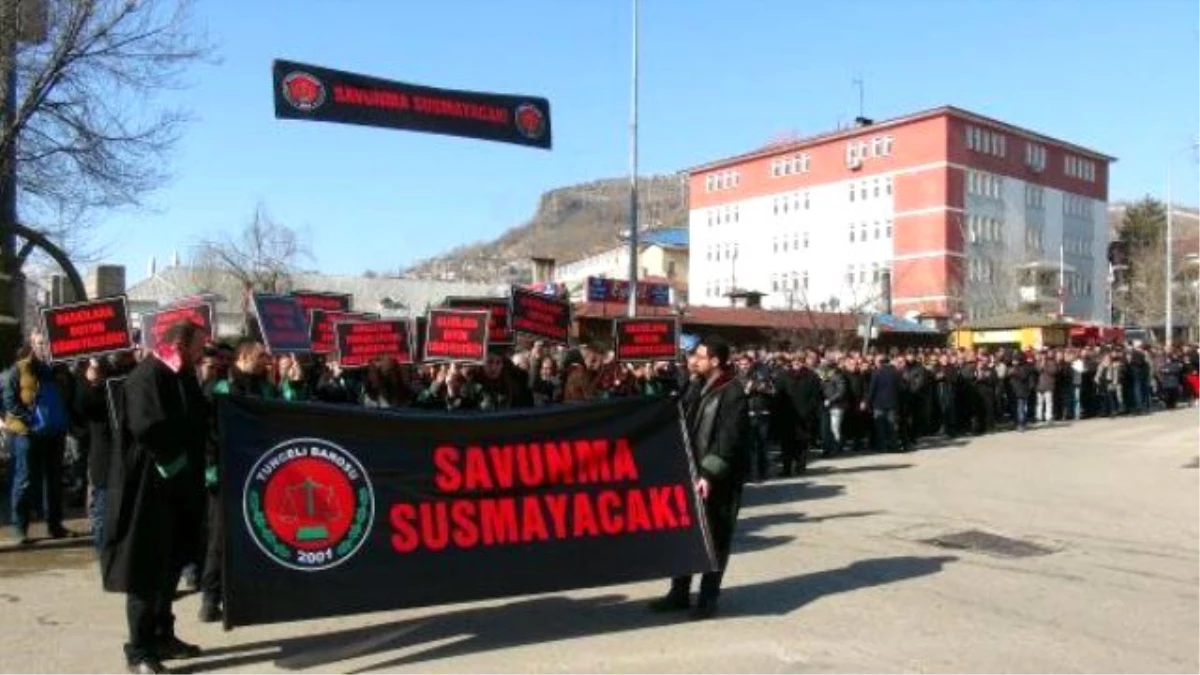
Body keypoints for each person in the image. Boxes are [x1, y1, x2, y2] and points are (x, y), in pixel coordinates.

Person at [102, 321, 208, 675]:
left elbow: (198, 418)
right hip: (148, 490)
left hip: (179, 490)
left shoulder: (184, 375)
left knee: (171, 565)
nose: (202, 352)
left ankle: (164, 634)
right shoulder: (146, 375)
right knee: (146, 569)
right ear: (180, 343)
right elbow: (148, 427)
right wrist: (176, 460)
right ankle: (139, 649)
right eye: (198, 345)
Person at [650, 336, 748, 620]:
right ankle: (679, 593)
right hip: (690, 473)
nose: (694, 360)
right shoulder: (697, 385)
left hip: (717, 479)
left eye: (700, 356)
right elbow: (680, 415)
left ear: (715, 361)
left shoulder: (732, 392)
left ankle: (708, 599)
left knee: (715, 538)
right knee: (685, 534)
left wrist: (708, 473)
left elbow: (728, 440)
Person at [4, 331, 73, 544]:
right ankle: (20, 527)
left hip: (54, 433)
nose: (45, 347)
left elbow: (70, 394)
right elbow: (8, 399)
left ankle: (55, 525)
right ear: (32, 345)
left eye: (48, 343)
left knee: (54, 482)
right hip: (27, 434)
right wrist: (30, 419)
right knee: (24, 480)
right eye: (41, 343)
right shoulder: (20, 369)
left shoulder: (59, 370)